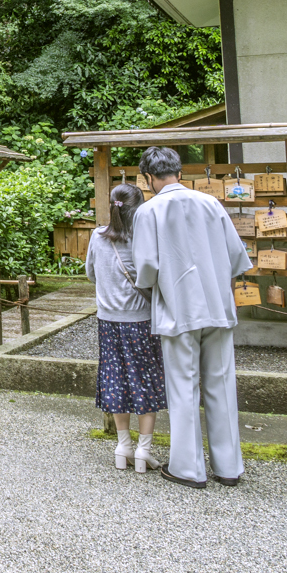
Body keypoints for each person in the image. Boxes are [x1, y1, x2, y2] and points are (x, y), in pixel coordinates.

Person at [133, 146, 254, 489]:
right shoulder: (211, 203)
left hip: (178, 309)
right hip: (217, 306)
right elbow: (236, 258)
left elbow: (147, 269)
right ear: (179, 173)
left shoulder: (150, 210)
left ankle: (188, 468)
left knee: (183, 387)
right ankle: (229, 467)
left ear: (148, 177)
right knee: (220, 384)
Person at [85, 182, 166, 474]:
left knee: (115, 377)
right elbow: (155, 277)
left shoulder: (97, 236)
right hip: (141, 320)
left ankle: (123, 445)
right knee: (145, 380)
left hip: (107, 320)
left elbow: (91, 273)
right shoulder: (143, 237)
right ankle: (144, 449)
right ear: (139, 207)